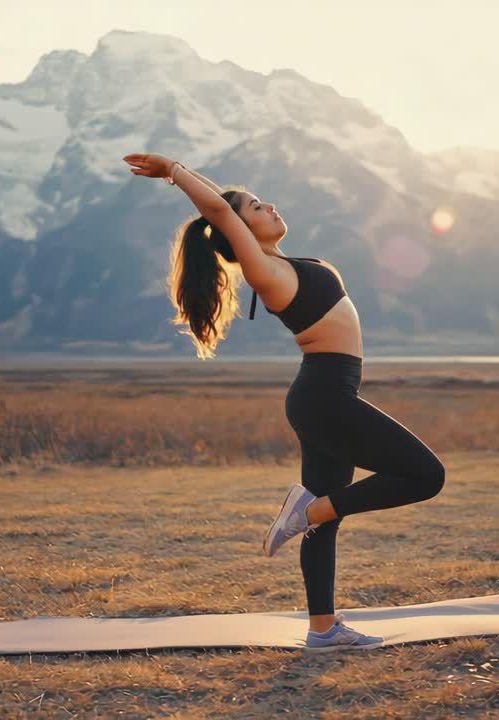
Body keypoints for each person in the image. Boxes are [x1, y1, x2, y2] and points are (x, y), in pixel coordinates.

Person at [123, 153, 446, 652]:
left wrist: (192, 177)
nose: (268, 205)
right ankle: (311, 511)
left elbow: (225, 213)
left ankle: (323, 629)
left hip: (324, 398)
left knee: (326, 515)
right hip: (325, 399)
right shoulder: (264, 270)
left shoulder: (284, 263)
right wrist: (174, 172)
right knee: (426, 475)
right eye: (255, 206)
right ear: (238, 233)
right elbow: (220, 214)